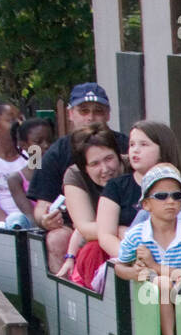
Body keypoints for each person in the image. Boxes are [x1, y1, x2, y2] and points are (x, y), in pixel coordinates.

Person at [27, 84, 128, 270]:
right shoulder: (54, 154)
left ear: (108, 114)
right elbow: (41, 205)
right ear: (70, 113)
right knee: (57, 238)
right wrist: (45, 219)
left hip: (127, 218)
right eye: (83, 111)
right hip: (75, 226)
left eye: (98, 111)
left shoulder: (128, 146)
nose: (90, 117)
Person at [113, 164, 181, 335]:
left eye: (176, 196)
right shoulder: (137, 235)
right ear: (147, 204)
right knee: (163, 283)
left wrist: (152, 265)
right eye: (161, 196)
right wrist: (138, 272)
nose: (170, 201)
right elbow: (119, 267)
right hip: (156, 291)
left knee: (177, 280)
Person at [95, 120, 181, 264]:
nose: (135, 150)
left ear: (163, 149)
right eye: (131, 144)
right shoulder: (116, 186)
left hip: (179, 265)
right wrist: (134, 260)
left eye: (143, 144)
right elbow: (106, 235)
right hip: (134, 264)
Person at [58, 123, 127, 284]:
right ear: (84, 168)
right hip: (103, 245)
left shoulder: (134, 168)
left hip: (140, 241)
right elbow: (85, 228)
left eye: (109, 159)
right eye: (95, 164)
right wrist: (121, 230)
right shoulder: (75, 176)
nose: (105, 169)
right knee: (93, 249)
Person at [0, 102, 31, 229]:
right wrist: (12, 228)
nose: (19, 123)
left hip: (32, 219)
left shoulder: (33, 153)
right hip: (0, 223)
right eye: (11, 120)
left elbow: (39, 187)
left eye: (20, 118)